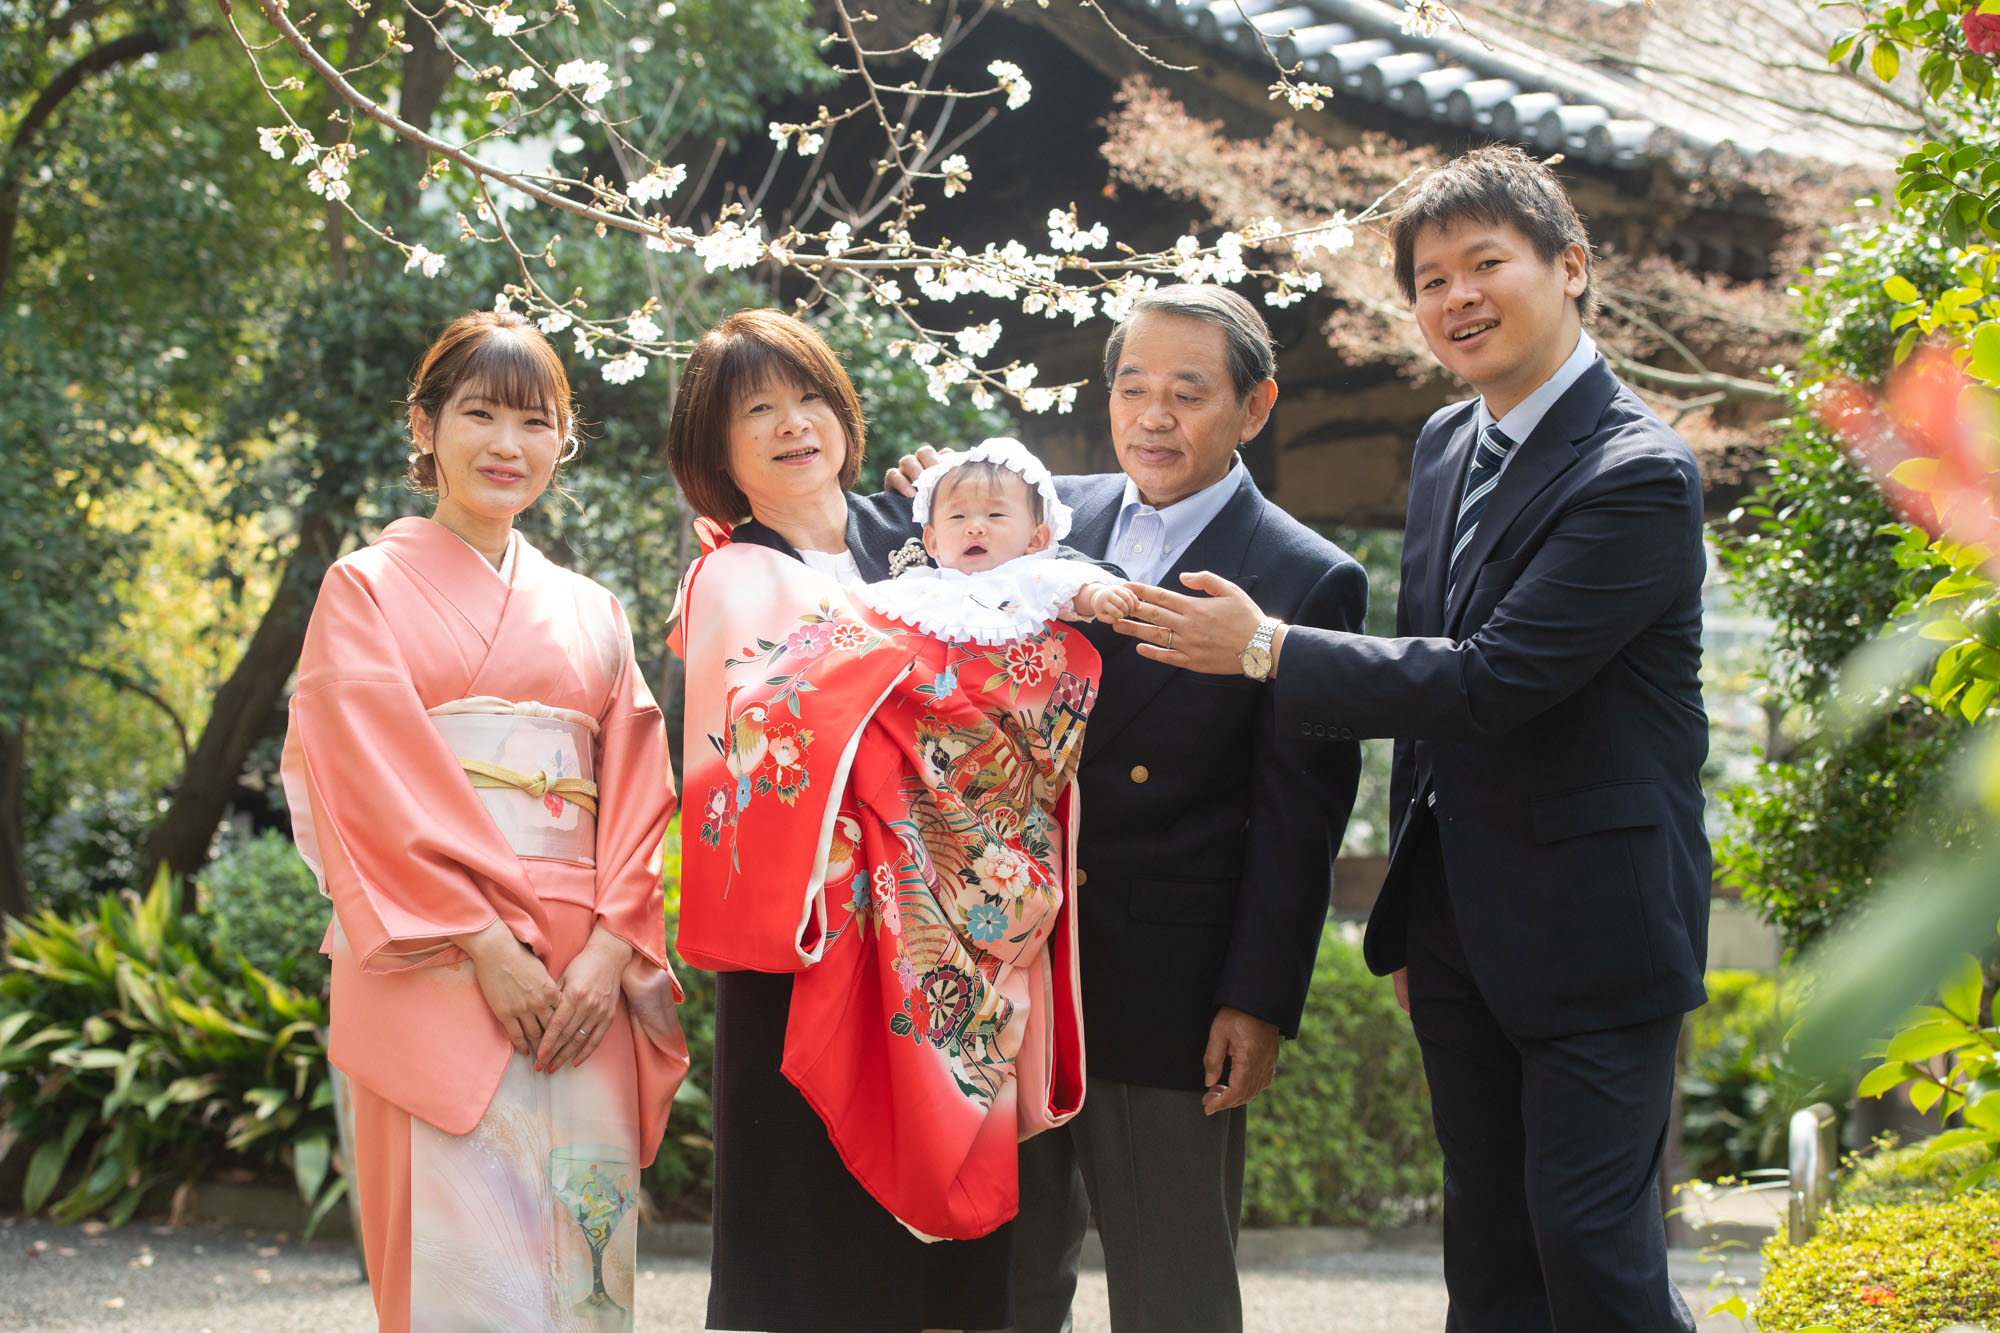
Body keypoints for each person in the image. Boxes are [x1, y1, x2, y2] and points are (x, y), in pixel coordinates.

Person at [1123, 147, 1710, 1331]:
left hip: (1596, 926)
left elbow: (1490, 682)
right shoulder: (1448, 443)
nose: (1456, 298)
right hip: (1457, 929)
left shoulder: (1636, 472)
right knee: (1485, 1256)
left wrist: (1268, 648)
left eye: (1485, 264)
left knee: (1591, 1251)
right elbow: (1417, 680)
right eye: (1429, 279)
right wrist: (1420, 905)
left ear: (1571, 268)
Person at [884, 283, 1368, 1333]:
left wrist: (1259, 999)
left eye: (1186, 392)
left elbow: (1299, 818)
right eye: (1131, 387)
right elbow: (930, 587)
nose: (1152, 415)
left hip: (1166, 980)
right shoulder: (1040, 513)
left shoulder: (1303, 576)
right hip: (1008, 971)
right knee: (993, 1285)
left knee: (1171, 1287)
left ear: (1254, 406)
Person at [280, 309, 689, 1333]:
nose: (508, 446)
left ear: (565, 438)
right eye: (478, 415)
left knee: (581, 1271)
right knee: (457, 1275)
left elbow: (640, 785)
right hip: (436, 953)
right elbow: (360, 780)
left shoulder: (591, 608)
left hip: (581, 969)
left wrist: (609, 951)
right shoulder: (364, 589)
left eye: (535, 422)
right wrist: (482, 945)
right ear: (423, 427)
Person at [664, 309, 1054, 1333]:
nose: (794, 425)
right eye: (757, 410)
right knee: (811, 1239)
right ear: (718, 451)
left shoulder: (927, 540)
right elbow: (749, 749)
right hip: (816, 941)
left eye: (808, 398)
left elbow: (1034, 657)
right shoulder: (728, 576)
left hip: (952, 933)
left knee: (950, 1261)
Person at [856, 435, 1142, 639]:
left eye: (995, 516)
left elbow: (1070, 589)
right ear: (931, 541)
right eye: (958, 517)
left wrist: (1099, 596)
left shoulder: (1029, 575)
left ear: (1036, 539)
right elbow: (867, 610)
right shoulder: (922, 584)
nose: (975, 528)